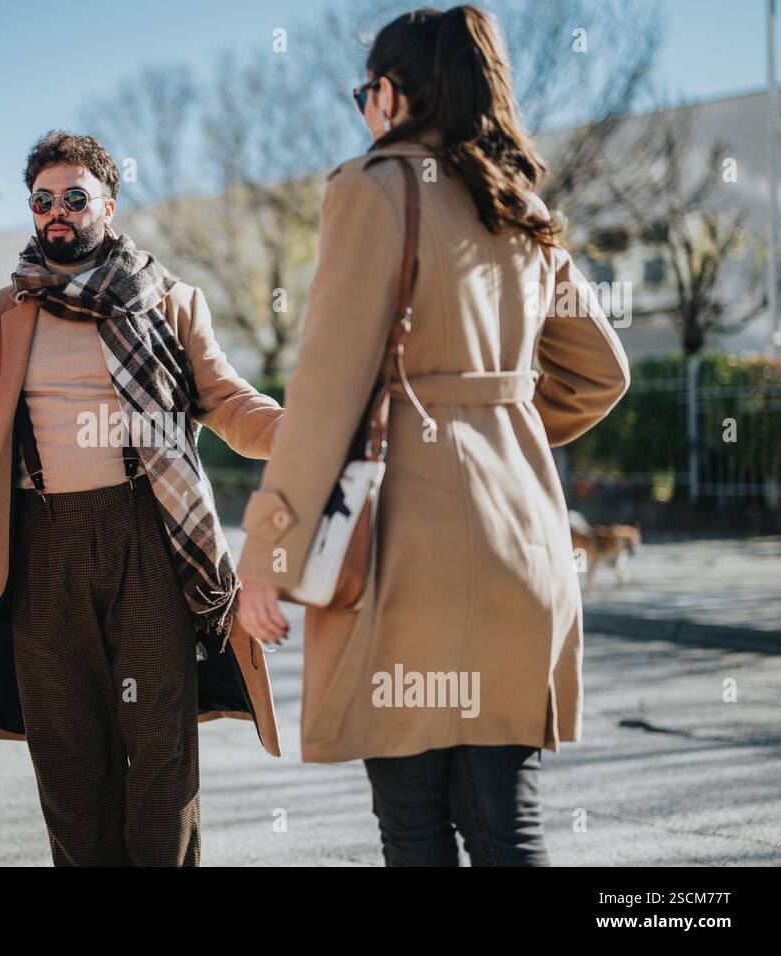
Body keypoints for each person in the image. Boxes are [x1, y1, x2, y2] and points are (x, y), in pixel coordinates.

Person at [235, 5, 631, 866]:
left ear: (392, 92)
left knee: (414, 827)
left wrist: (267, 556)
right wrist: (495, 426)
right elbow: (603, 372)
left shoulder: (374, 187)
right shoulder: (518, 204)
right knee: (506, 825)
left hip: (409, 556)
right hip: (525, 543)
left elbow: (328, 390)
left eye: (362, 93)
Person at [0, 131, 284, 866]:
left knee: (160, 743)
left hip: (149, 531)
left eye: (73, 197)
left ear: (109, 201)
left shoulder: (169, 300)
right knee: (67, 749)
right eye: (42, 201)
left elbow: (226, 400)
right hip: (38, 540)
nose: (56, 212)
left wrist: (300, 434)